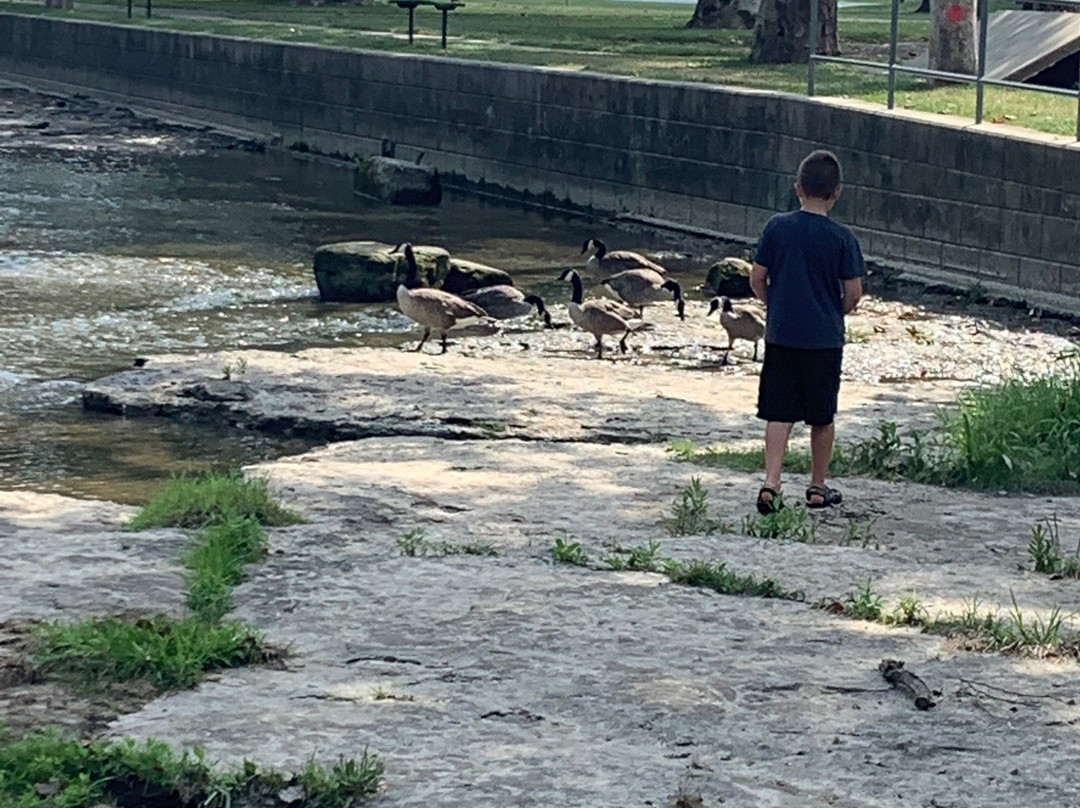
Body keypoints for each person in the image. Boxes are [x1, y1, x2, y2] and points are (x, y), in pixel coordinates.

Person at [748, 149, 866, 515]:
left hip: (782, 334)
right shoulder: (843, 239)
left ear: (798, 188)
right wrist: (835, 311)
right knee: (822, 415)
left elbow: (756, 277)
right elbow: (854, 292)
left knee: (778, 412)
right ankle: (817, 486)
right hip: (824, 339)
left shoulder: (777, 227)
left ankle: (772, 482)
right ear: (837, 193)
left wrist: (775, 303)